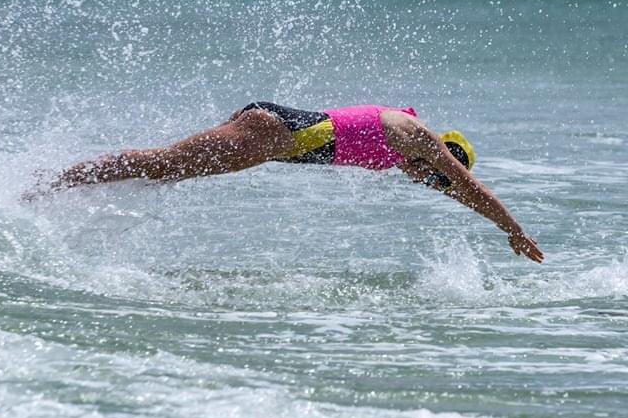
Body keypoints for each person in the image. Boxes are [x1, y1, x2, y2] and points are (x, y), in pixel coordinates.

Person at [50, 102, 544, 263]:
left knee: (164, 173)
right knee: (162, 164)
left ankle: (65, 191)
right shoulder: (415, 134)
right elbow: (470, 189)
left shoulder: (404, 153)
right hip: (269, 133)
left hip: (269, 140)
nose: (428, 181)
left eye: (433, 182)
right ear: (445, 154)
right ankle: (51, 182)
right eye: (437, 175)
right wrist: (513, 230)